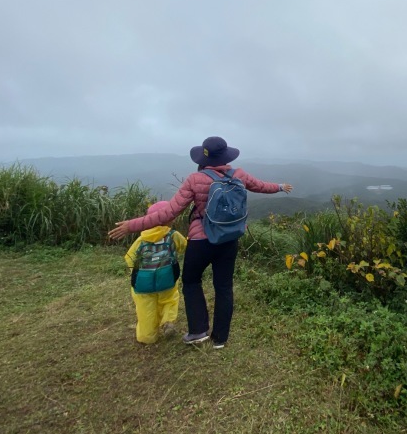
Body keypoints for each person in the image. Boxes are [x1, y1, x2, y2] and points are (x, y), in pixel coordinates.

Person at [109, 136, 293, 349]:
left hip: (201, 241)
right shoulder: (239, 174)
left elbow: (168, 212)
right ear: (225, 156)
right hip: (229, 239)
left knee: (191, 281)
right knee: (224, 286)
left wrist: (132, 225)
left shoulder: (195, 180)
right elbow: (261, 186)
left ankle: (198, 331)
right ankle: (220, 339)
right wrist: (280, 186)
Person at [124, 201, 187, 344]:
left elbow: (129, 259)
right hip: (167, 278)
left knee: (146, 309)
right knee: (170, 300)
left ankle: (147, 337)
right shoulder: (172, 235)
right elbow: (184, 246)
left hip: (143, 283)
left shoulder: (141, 239)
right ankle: (168, 321)